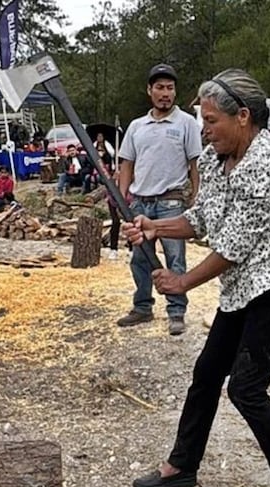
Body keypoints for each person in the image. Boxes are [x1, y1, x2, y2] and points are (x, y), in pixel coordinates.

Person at [125, 69, 270, 487]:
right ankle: (182, 465)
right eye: (202, 119)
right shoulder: (217, 158)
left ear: (244, 117)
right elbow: (204, 218)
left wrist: (183, 282)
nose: (204, 129)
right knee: (207, 371)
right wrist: (155, 226)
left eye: (211, 121)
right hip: (244, 285)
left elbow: (233, 244)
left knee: (247, 387)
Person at [116, 63, 202, 335]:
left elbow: (195, 164)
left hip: (171, 203)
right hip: (140, 202)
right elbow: (127, 164)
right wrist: (122, 198)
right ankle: (142, 307)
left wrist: (196, 198)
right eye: (160, 88)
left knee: (175, 258)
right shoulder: (137, 126)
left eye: (170, 88)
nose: (165, 93)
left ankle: (176, 311)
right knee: (140, 258)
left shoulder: (186, 123)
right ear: (149, 91)